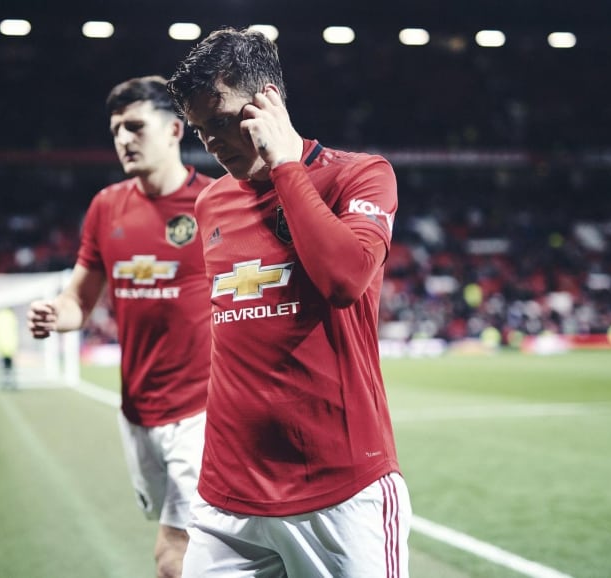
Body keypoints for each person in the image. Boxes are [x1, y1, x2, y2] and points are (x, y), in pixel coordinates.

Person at [167, 27, 411, 577]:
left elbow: (344, 279)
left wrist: (285, 167)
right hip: (228, 498)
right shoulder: (211, 203)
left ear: (268, 101)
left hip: (339, 491)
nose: (212, 143)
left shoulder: (360, 176)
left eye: (222, 121)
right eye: (202, 131)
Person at [27, 76, 213, 578]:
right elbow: (78, 301)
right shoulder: (106, 206)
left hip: (201, 411)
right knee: (191, 548)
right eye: (115, 131)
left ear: (175, 130)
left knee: (174, 555)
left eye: (135, 126)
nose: (124, 139)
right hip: (137, 410)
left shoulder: (215, 201)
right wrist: (55, 314)